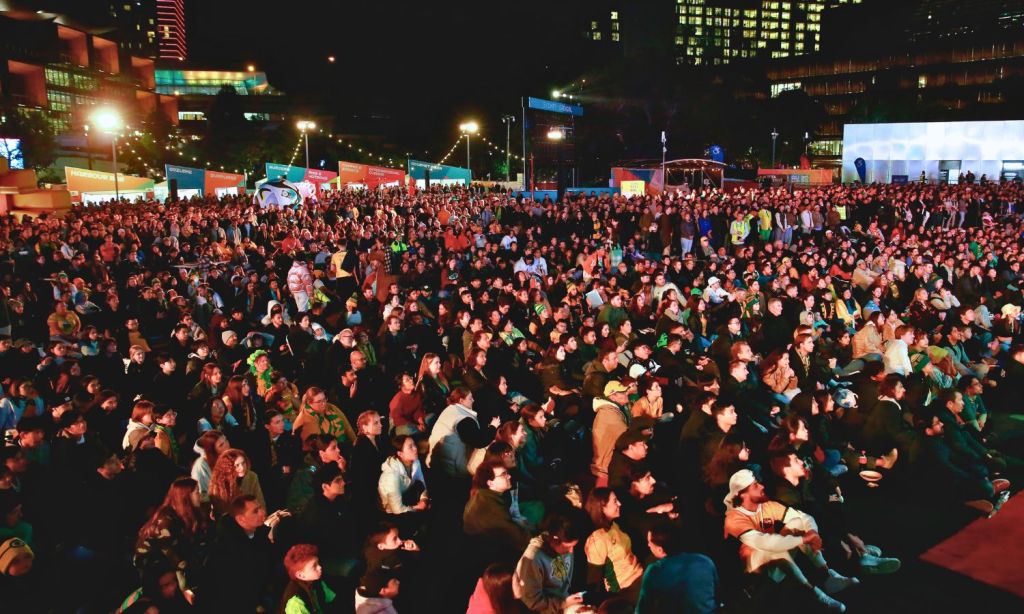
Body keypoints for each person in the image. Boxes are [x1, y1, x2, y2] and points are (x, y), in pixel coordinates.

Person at [722, 469, 856, 612]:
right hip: (757, 574)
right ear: (742, 494)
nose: (762, 486)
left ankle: (828, 575)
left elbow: (804, 517)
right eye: (755, 486)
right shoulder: (733, 518)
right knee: (774, 550)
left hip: (778, 565)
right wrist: (803, 539)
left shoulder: (767, 506)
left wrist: (812, 532)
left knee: (798, 522)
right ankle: (816, 593)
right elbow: (763, 542)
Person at [635, 523, 719, 614]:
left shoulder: (655, 571)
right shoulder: (704, 560)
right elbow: (716, 590)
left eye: (649, 542)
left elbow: (643, 607)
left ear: (660, 550)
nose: (648, 545)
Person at [513, 512, 587, 614]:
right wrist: (562, 604)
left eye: (573, 546)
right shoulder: (533, 558)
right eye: (568, 546)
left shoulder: (565, 544)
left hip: (563, 603)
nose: (571, 551)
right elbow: (532, 602)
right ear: (555, 539)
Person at [583, 488, 644, 603]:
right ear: (602, 508)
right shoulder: (597, 540)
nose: (619, 504)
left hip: (639, 574)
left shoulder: (613, 525)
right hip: (626, 588)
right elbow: (594, 579)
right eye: (615, 501)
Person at [280, 544, 337, 614]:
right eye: (314, 566)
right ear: (301, 575)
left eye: (318, 563)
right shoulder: (296, 602)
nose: (320, 567)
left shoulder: (316, 581)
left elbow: (331, 601)